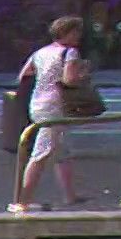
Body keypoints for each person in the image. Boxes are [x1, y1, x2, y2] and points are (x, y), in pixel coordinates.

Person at [12, 15, 90, 211]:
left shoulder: (40, 52)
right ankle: (23, 201)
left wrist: (45, 76)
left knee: (62, 150)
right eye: (76, 31)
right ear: (67, 33)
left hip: (37, 102)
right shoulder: (70, 53)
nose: (79, 36)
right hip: (56, 105)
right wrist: (82, 74)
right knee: (42, 152)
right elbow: (69, 80)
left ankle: (70, 195)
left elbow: (23, 75)